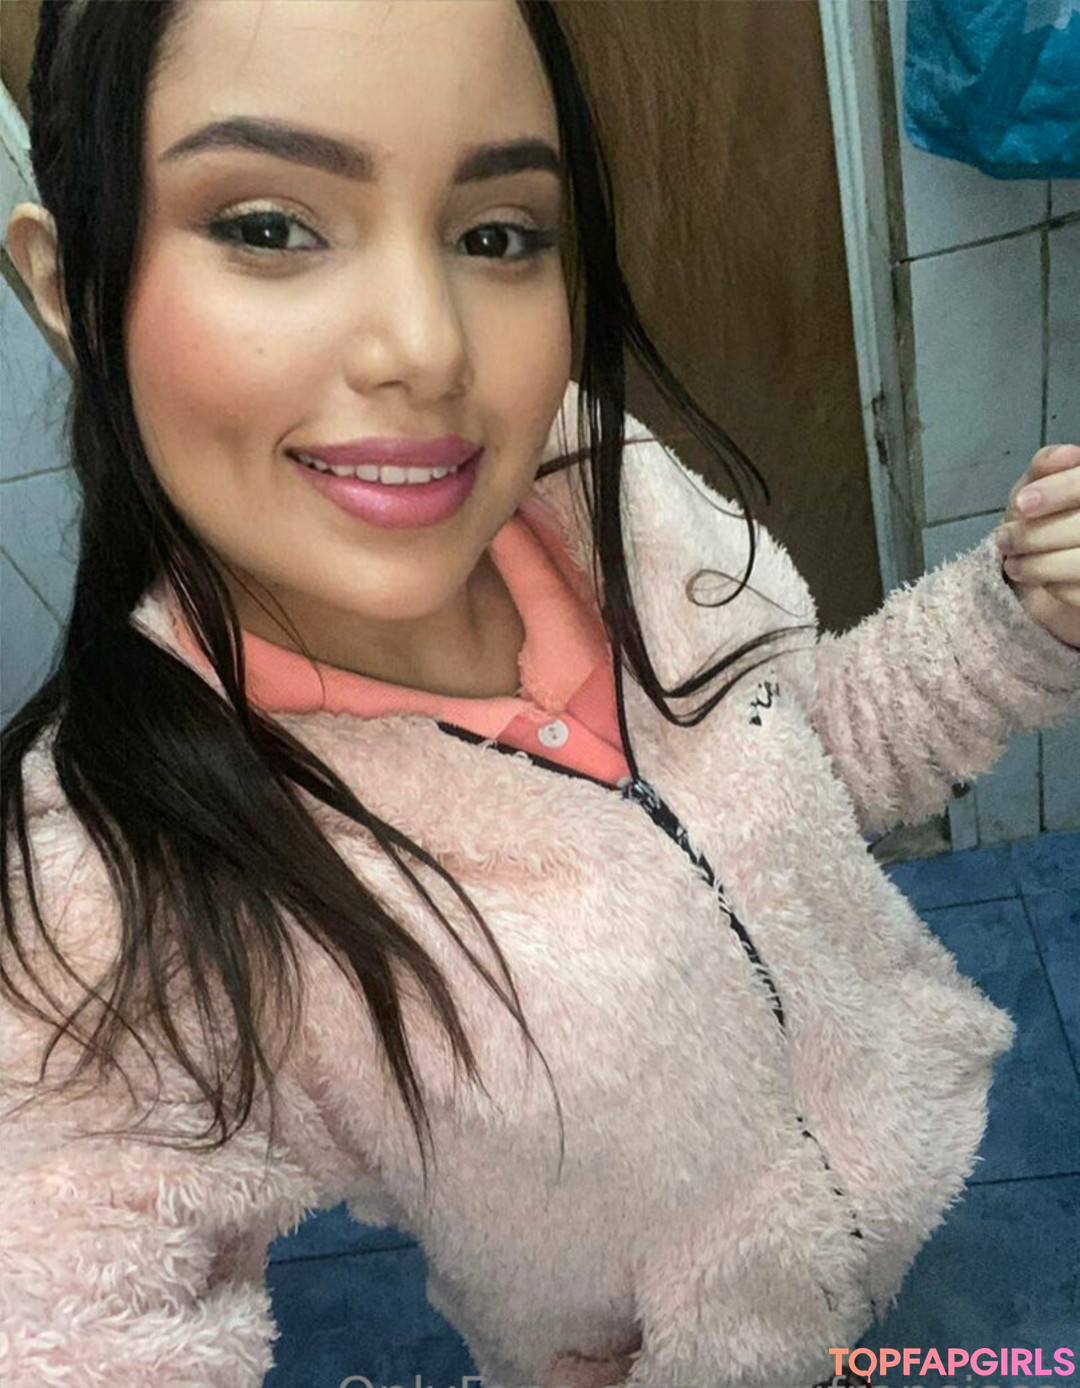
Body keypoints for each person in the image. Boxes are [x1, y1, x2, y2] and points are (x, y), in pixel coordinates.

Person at [2, 3, 1078, 1387]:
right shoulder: (110, 891)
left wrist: (1016, 615)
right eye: (269, 225)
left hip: (916, 1189)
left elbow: (804, 763)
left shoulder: (606, 495)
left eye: (497, 234)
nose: (427, 347)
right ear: (66, 284)